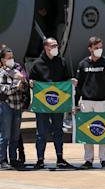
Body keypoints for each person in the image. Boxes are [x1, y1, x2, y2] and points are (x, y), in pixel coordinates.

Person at [29, 38, 74, 169]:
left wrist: (71, 81)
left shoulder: (62, 62)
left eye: (57, 45)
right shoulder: (37, 64)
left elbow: (66, 79)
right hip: (42, 104)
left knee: (58, 131)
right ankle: (40, 159)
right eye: (53, 45)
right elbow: (31, 79)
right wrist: (31, 82)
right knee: (41, 133)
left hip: (58, 103)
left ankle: (60, 158)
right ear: (46, 48)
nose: (56, 47)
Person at [75, 37, 105, 169]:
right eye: (96, 47)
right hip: (86, 102)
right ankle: (88, 159)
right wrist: (76, 104)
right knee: (87, 131)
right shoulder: (83, 64)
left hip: (102, 102)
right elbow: (79, 86)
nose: (99, 50)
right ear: (90, 48)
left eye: (100, 47)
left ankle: (104, 160)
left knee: (102, 131)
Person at [0, 48, 27, 169]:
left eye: (12, 57)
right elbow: (4, 90)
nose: (11, 60)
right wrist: (17, 86)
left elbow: (25, 84)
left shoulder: (17, 70)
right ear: (3, 60)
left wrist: (24, 84)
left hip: (18, 105)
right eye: (8, 57)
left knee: (15, 135)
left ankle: (13, 158)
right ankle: (2, 159)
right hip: (7, 105)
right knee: (5, 134)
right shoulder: (2, 73)